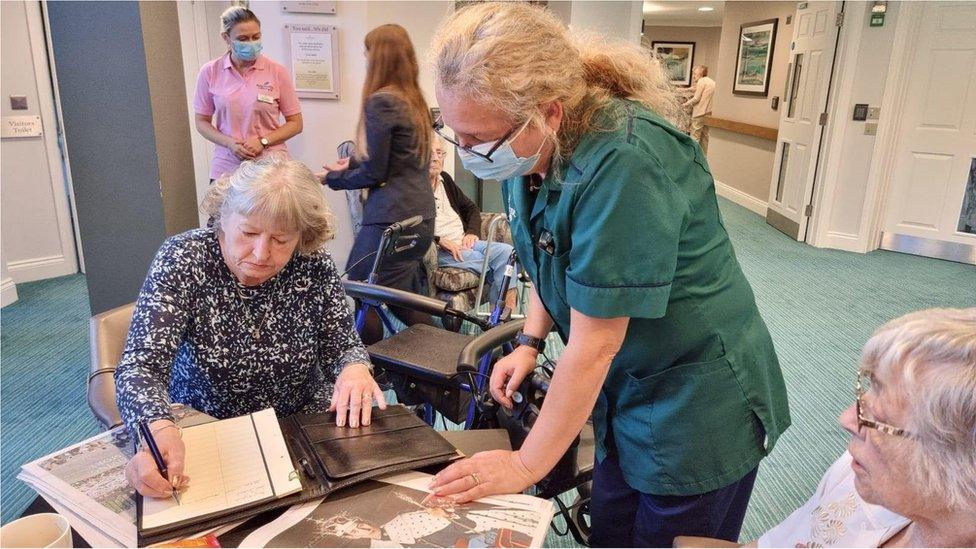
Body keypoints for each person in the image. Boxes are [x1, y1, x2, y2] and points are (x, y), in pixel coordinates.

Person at [426, 4, 790, 547]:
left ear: (546, 113)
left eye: (480, 139)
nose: (469, 154)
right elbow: (550, 254)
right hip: (625, 393)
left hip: (695, 402)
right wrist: (529, 341)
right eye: (457, 134)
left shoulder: (625, 161)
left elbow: (597, 344)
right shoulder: (528, 155)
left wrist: (526, 466)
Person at [116, 157, 384, 499]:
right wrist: (157, 425)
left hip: (298, 421)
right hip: (209, 428)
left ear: (302, 236)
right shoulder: (185, 259)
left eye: (281, 240)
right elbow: (141, 365)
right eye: (249, 233)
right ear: (223, 220)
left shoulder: (313, 265)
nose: (261, 253)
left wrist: (355, 367)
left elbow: (342, 345)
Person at [681, 308, 976, 548]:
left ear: (962, 464)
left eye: (878, 418)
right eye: (866, 392)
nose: (847, 419)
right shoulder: (857, 474)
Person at [318, 24, 436, 344]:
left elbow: (375, 172)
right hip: (420, 215)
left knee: (361, 286)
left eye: (367, 54)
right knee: (404, 299)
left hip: (392, 217)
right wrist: (352, 163)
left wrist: (333, 178)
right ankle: (435, 374)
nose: (365, 60)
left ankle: (366, 369)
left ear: (378, 58)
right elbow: (395, 157)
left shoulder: (381, 102)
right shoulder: (414, 101)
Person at [193, 6, 303, 182]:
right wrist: (229, 143)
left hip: (271, 166)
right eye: (243, 38)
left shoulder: (277, 71)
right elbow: (201, 122)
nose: (251, 43)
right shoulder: (210, 72)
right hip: (227, 166)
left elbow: (296, 123)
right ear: (226, 38)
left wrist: (263, 141)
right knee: (222, 209)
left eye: (256, 37)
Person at [430, 134, 518, 312]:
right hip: (438, 250)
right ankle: (501, 320)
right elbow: (413, 226)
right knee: (502, 265)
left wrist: (471, 232)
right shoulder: (414, 187)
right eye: (429, 153)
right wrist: (438, 239)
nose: (435, 157)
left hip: (464, 242)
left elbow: (471, 208)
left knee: (508, 253)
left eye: (439, 152)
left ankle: (499, 320)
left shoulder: (445, 179)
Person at [682, 65, 715, 153]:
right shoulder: (711, 82)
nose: (693, 76)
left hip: (699, 113)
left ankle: (693, 157)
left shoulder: (701, 81)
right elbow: (694, 89)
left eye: (695, 74)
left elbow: (696, 98)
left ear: (700, 73)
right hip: (709, 113)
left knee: (695, 137)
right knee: (705, 138)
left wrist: (685, 104)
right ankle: (703, 158)